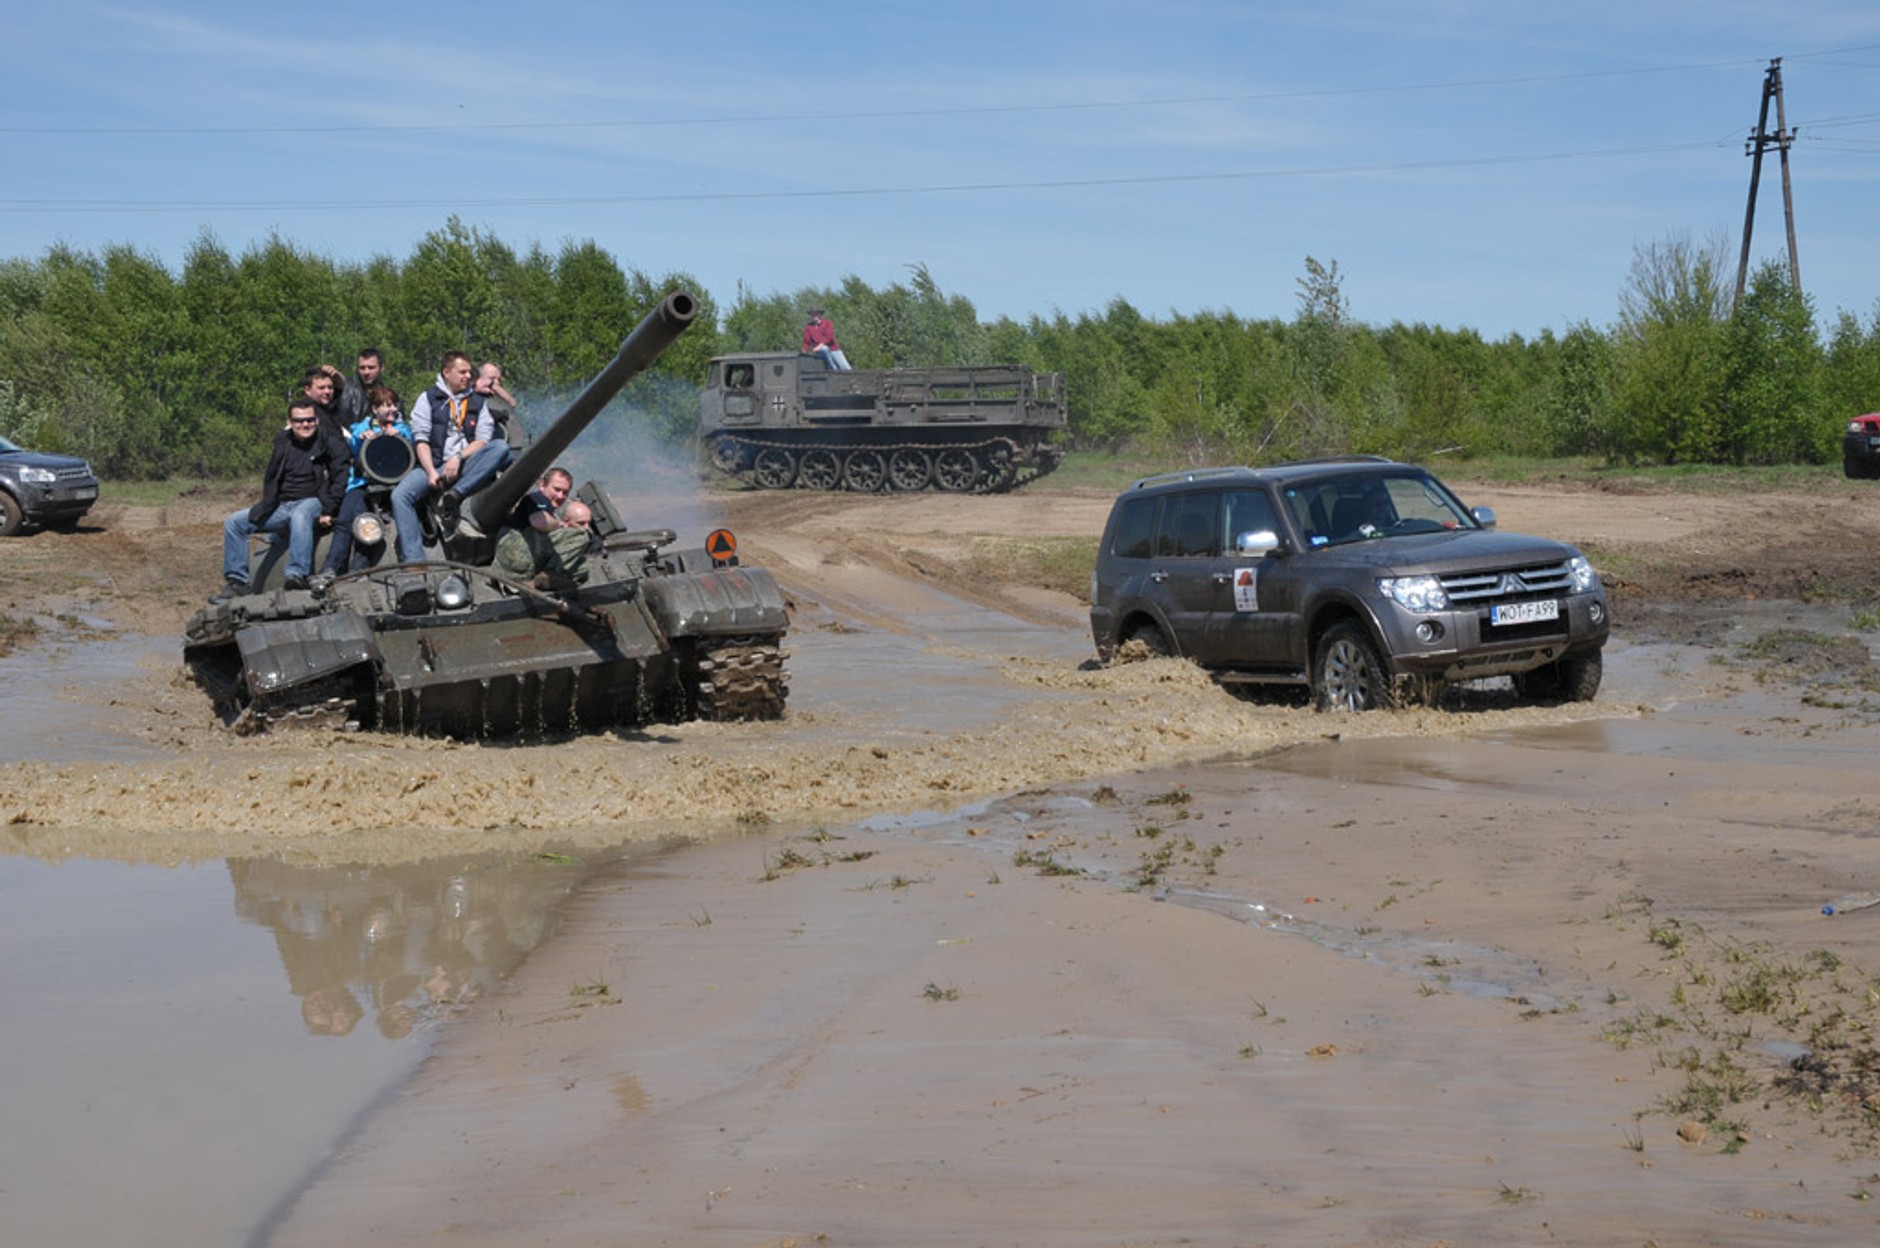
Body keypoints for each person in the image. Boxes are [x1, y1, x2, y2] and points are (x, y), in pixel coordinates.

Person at [211, 398, 348, 600]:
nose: (305, 425)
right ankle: (238, 582)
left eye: (309, 420)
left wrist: (329, 509)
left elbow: (341, 476)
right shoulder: (282, 442)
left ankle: (296, 574)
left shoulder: (329, 442)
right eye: (299, 421)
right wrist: (266, 504)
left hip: (313, 501)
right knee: (234, 523)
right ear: (290, 422)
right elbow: (272, 478)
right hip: (281, 505)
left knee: (300, 515)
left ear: (316, 421)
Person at [391, 350, 513, 562]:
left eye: (469, 372)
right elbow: (421, 440)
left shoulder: (478, 402)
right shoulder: (427, 399)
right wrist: (430, 472)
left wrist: (457, 457)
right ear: (447, 372)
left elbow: (482, 441)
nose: (468, 376)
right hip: (435, 464)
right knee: (400, 496)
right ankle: (414, 560)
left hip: (468, 463)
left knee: (501, 448)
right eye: (462, 372)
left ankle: (455, 495)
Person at [320, 385, 411, 577]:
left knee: (369, 523)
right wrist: (361, 439)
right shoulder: (362, 428)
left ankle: (359, 569)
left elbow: (409, 444)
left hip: (393, 486)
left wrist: (400, 435)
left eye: (394, 405)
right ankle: (331, 567)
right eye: (387, 405)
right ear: (375, 409)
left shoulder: (401, 428)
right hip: (362, 484)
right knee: (347, 518)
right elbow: (352, 448)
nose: (393, 409)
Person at [493, 466, 592, 586]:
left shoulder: (551, 510)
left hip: (516, 561)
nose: (560, 496)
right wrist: (560, 525)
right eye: (556, 489)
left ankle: (536, 581)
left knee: (582, 567)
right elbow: (539, 522)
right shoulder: (537, 498)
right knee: (581, 535)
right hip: (513, 547)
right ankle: (549, 576)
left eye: (565, 492)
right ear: (542, 485)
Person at [474, 360, 523, 448]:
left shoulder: (495, 396)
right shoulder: (473, 398)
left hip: (514, 446)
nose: (496, 383)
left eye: (498, 379)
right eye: (492, 378)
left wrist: (495, 387)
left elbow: (513, 403)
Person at [301, 365, 349, 444]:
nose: (327, 392)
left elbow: (340, 388)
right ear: (308, 390)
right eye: (321, 388)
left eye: (330, 387)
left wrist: (336, 375)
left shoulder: (325, 407)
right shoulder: (307, 413)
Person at [338, 349, 385, 427]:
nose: (366, 372)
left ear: (382, 368)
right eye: (362, 368)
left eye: (371, 368)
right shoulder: (345, 388)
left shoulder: (387, 396)